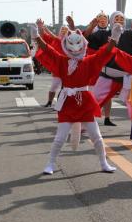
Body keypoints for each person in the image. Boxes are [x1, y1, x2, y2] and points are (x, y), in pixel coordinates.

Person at [30, 24, 122, 174]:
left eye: (77, 43)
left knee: (97, 137)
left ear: (83, 44)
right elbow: (49, 50)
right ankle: (51, 163)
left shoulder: (88, 61)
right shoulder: (62, 60)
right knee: (60, 138)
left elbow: (104, 53)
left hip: (84, 101)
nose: (74, 47)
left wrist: (115, 38)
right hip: (67, 101)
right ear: (66, 44)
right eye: (70, 44)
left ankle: (104, 162)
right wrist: (36, 37)